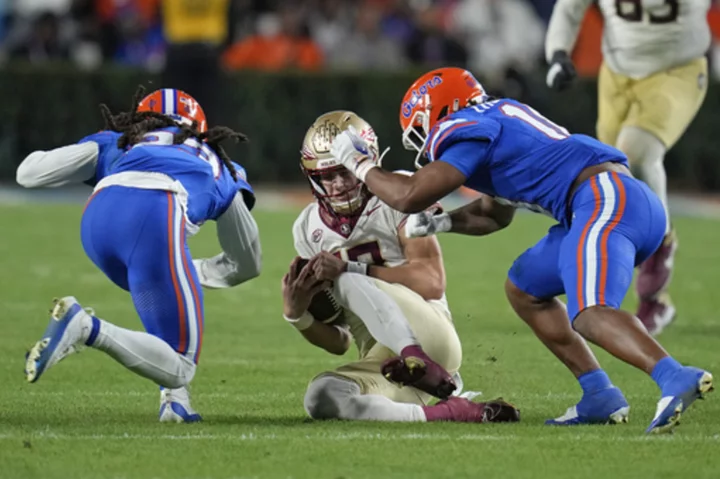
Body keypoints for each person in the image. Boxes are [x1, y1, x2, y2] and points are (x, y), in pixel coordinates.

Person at [328, 67, 713, 434]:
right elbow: (494, 215)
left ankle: (674, 376)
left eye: (420, 129)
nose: (425, 140)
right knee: (525, 287)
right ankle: (599, 394)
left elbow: (409, 195)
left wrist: (357, 163)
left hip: (604, 201)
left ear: (439, 112)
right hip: (607, 202)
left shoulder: (465, 126)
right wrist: (443, 223)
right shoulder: (498, 119)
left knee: (591, 313)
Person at [17, 87, 261, 423]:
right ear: (200, 129)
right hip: (156, 212)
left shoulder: (119, 142)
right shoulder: (216, 160)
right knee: (182, 365)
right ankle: (84, 326)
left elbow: (28, 174)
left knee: (164, 299)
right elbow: (247, 262)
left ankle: (176, 404)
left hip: (96, 223)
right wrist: (195, 270)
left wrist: (102, 147)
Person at [282, 110, 519, 423]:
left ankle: (417, 358)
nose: (338, 184)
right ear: (312, 176)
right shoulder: (306, 229)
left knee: (345, 274)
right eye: (327, 175)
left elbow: (431, 281)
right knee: (322, 397)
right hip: (385, 363)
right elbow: (340, 342)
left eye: (345, 172)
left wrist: (349, 269)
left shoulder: (399, 193)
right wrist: (297, 316)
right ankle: (452, 411)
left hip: (430, 338)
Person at [545, 0, 712, 335]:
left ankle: (660, 243)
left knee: (636, 153)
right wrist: (558, 53)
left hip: (676, 70)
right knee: (608, 171)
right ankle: (646, 299)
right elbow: (570, 8)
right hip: (617, 72)